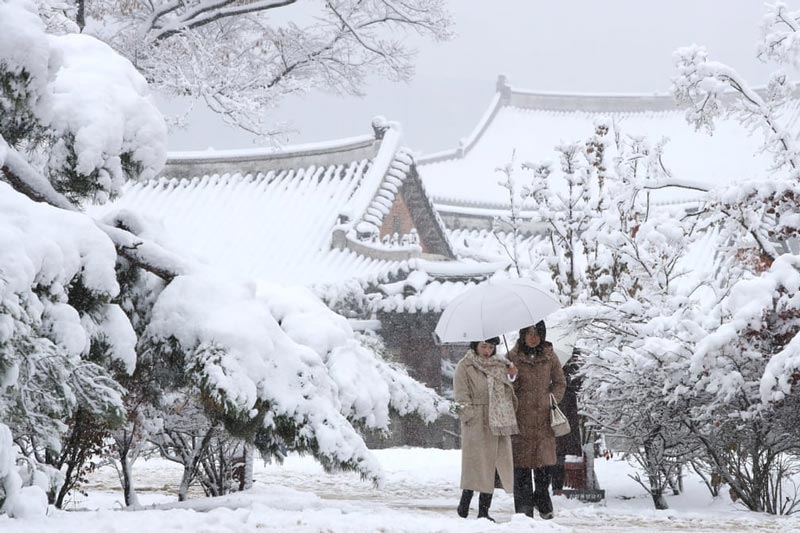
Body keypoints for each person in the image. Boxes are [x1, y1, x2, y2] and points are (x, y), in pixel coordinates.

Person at [453, 337, 519, 521]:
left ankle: (484, 511)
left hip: (498, 420)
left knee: (492, 467)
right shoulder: (465, 366)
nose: (487, 351)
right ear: (475, 345)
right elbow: (460, 395)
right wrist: (469, 416)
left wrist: (511, 375)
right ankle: (465, 502)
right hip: (477, 421)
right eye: (484, 346)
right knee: (476, 465)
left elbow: (507, 389)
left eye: (491, 347)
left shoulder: (501, 364)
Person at [508, 321, 566, 519]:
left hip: (544, 418)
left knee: (544, 465)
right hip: (520, 418)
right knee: (521, 467)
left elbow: (560, 382)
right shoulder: (512, 357)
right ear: (523, 334)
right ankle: (523, 509)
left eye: (537, 334)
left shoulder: (550, 355)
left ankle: (542, 500)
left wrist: (552, 400)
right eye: (529, 333)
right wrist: (512, 379)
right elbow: (505, 387)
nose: (533, 338)